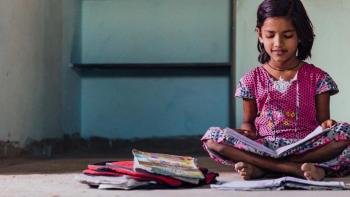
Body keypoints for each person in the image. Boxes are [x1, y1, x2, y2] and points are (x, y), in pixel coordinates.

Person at [201, 0, 350, 181]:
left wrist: (328, 124)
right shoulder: (251, 79)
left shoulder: (318, 78)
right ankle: (294, 169)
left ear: (300, 35)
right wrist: (246, 132)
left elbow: (323, 123)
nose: (278, 43)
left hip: (306, 147)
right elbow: (248, 122)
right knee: (213, 138)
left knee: (346, 132)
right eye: (270, 35)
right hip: (264, 146)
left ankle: (263, 168)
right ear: (260, 34)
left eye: (287, 35)